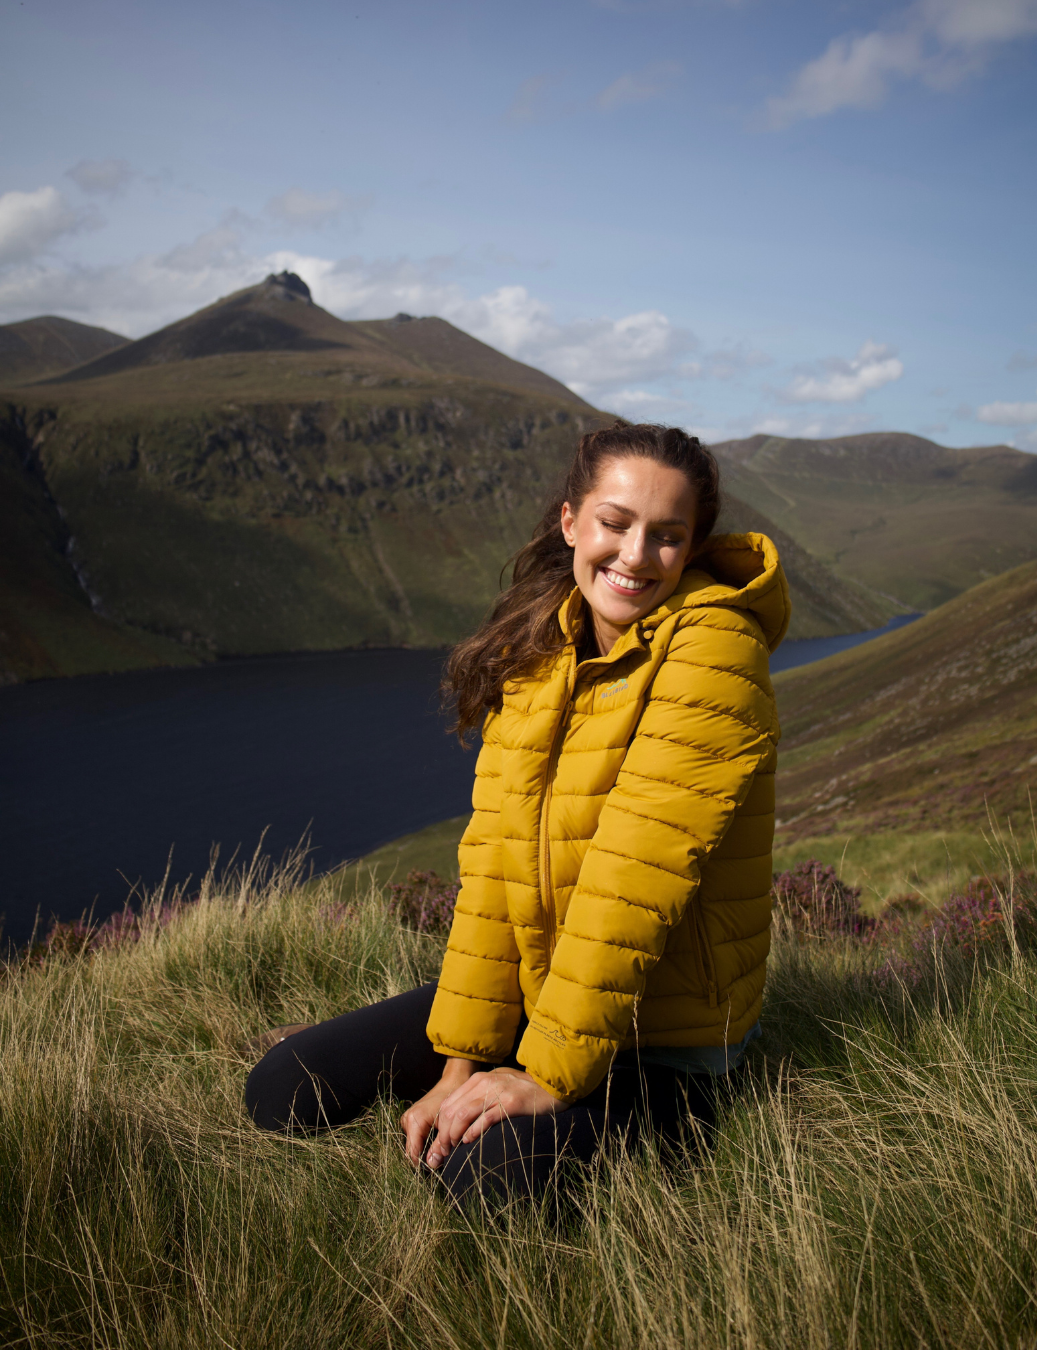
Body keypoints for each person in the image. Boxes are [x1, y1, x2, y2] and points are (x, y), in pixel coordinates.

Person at [245, 421, 790, 1206]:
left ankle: (659, 1111)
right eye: (615, 523)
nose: (636, 555)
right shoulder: (539, 654)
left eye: (667, 536)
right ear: (571, 522)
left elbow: (633, 880)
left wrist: (545, 1078)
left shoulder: (717, 649)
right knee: (283, 1089)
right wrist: (459, 1065)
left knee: (479, 1181)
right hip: (544, 1000)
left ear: (693, 546)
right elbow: (492, 874)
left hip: (664, 1041)